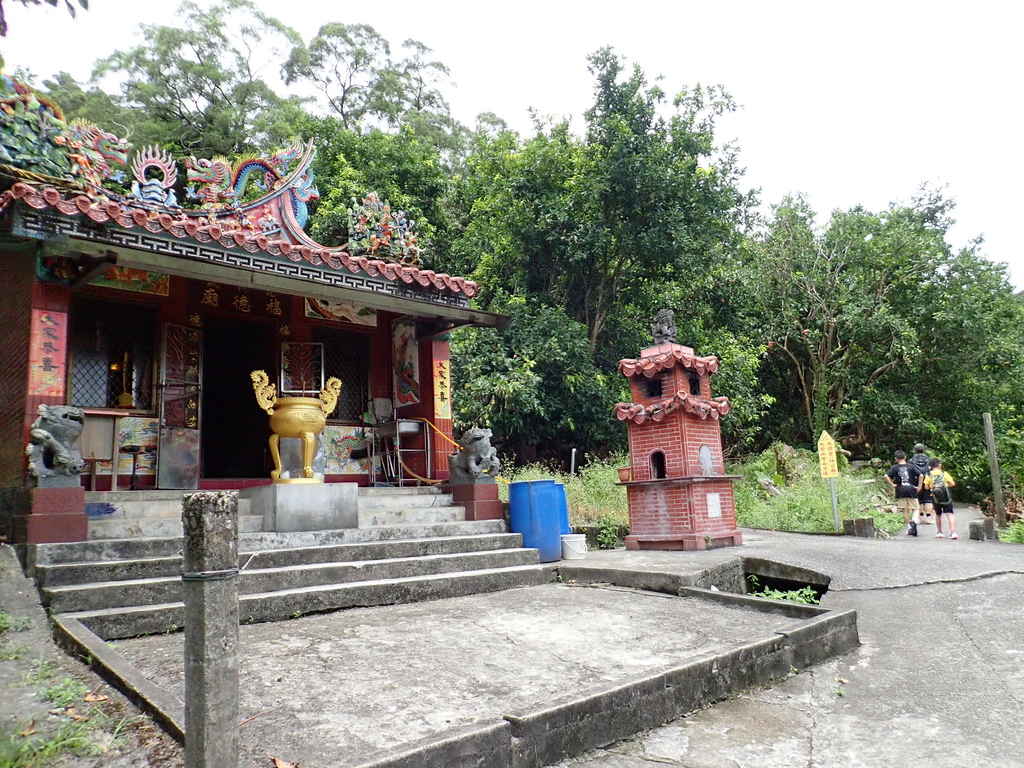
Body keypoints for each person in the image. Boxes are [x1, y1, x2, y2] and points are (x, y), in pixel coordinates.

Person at [885, 450, 923, 535]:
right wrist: (919, 486)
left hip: (900, 490)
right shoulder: (911, 466)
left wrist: (893, 484)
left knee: (905, 510)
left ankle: (909, 528)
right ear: (905, 457)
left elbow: (886, 475)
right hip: (911, 489)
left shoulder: (895, 467)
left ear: (896, 459)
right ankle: (914, 521)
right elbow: (921, 475)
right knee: (916, 508)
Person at [926, 458, 958, 539]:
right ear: (939, 465)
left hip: (935, 497)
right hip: (945, 496)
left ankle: (939, 532)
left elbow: (926, 487)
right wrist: (945, 486)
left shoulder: (929, 474)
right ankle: (953, 532)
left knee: (938, 514)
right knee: (949, 513)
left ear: (931, 466)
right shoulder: (944, 473)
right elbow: (952, 483)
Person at [909, 443, 933, 524]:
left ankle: (920, 517)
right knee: (929, 500)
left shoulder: (911, 460)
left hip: (916, 481)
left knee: (918, 499)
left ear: (915, 450)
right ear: (924, 450)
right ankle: (929, 518)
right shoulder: (929, 460)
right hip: (927, 481)